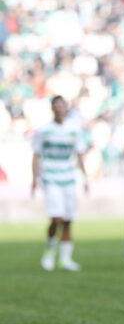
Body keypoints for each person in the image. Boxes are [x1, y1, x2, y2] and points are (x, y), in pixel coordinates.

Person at [32, 95, 88, 271]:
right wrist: (34, 178)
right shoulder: (43, 130)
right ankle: (49, 252)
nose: (59, 108)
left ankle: (65, 258)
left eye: (61, 105)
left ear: (65, 107)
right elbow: (36, 155)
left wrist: (85, 177)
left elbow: (79, 154)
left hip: (69, 177)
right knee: (57, 218)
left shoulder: (74, 129)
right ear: (52, 108)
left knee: (68, 219)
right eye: (56, 105)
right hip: (51, 178)